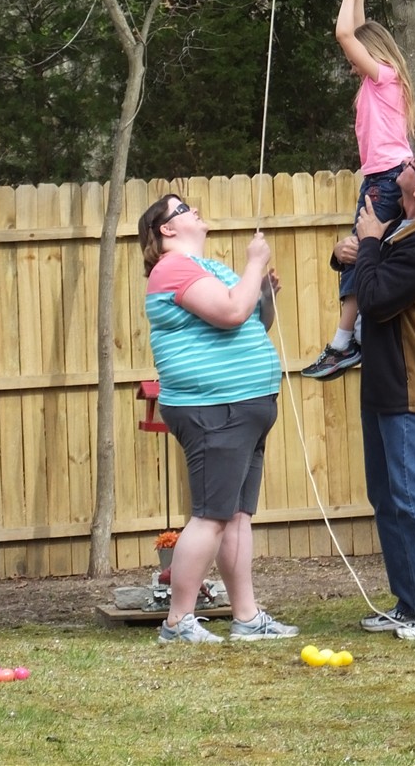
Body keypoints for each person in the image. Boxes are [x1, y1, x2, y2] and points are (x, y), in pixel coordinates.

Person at [138, 193, 299, 644]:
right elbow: (230, 313)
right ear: (166, 229)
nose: (194, 210)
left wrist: (262, 293)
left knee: (236, 515)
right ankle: (177, 621)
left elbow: (250, 321)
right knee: (211, 516)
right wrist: (254, 263)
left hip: (244, 406)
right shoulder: (172, 268)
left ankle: (246, 617)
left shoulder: (211, 269)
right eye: (183, 208)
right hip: (213, 408)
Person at [331, 146, 415, 644]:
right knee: (386, 495)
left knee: (411, 492)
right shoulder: (402, 225)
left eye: (411, 164)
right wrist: (345, 253)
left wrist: (368, 243)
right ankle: (411, 605)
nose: (403, 165)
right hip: (385, 375)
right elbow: (367, 269)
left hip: (411, 378)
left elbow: (376, 299)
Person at [300, 0, 415, 381]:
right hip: (387, 176)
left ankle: (342, 342)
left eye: (355, 60)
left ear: (370, 55)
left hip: (384, 178)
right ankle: (355, 337)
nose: (352, 68)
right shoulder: (384, 78)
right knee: (366, 251)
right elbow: (357, 30)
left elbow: (345, 34)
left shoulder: (382, 76)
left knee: (356, 251)